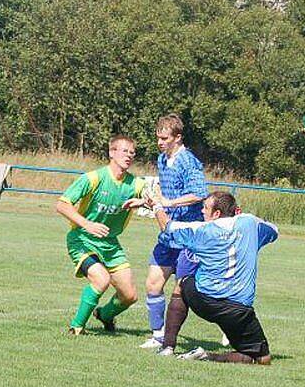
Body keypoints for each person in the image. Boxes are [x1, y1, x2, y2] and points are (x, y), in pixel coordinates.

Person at [150, 191, 277, 364]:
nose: (202, 211)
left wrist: (156, 206)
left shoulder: (203, 230)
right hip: (238, 310)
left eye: (206, 208)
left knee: (182, 282)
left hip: (204, 301)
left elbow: (168, 227)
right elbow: (273, 231)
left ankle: (168, 346)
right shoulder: (249, 223)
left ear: (216, 213)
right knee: (262, 359)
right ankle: (208, 356)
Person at [56, 135, 149, 335]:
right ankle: (76, 327)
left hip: (110, 244)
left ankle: (105, 315)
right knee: (101, 279)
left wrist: (145, 201)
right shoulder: (93, 178)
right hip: (82, 239)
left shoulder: (136, 185)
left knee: (130, 296)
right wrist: (86, 224)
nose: (129, 156)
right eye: (124, 151)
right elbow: (62, 205)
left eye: (132, 152)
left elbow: (156, 197)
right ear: (112, 153)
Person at [141, 114, 208, 349]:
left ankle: (230, 326)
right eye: (157, 137)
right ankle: (158, 335)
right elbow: (163, 192)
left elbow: (199, 193)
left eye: (164, 138)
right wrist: (150, 201)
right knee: (153, 283)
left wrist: (168, 203)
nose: (159, 142)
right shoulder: (161, 159)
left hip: (188, 234)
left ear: (178, 138)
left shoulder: (188, 162)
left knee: (191, 290)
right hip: (168, 234)